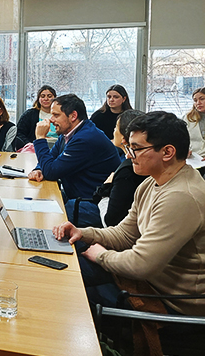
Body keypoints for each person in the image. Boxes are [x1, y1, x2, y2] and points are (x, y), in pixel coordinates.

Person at [54, 111, 205, 316]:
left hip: (171, 302)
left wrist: (101, 256)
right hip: (150, 283)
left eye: (136, 149)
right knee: (65, 262)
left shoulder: (182, 196)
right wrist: (82, 233)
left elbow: (141, 265)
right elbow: (125, 234)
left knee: (67, 278)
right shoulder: (152, 182)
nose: (127, 155)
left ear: (167, 152)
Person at [28, 94, 120, 227]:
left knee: (45, 221)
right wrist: (38, 168)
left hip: (93, 204)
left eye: (56, 115)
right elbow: (51, 158)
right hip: (79, 195)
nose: (51, 120)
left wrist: (40, 138)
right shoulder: (70, 132)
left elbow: (51, 171)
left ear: (73, 116)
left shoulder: (85, 139)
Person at [93, 109, 147, 226]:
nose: (114, 131)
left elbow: (110, 222)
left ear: (124, 138)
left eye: (116, 128)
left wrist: (105, 191)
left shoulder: (127, 171)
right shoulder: (127, 159)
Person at [184, 87, 205, 157]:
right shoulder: (188, 118)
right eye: (195, 100)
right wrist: (183, 150)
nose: (198, 103)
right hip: (193, 157)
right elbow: (178, 138)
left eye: (202, 99)